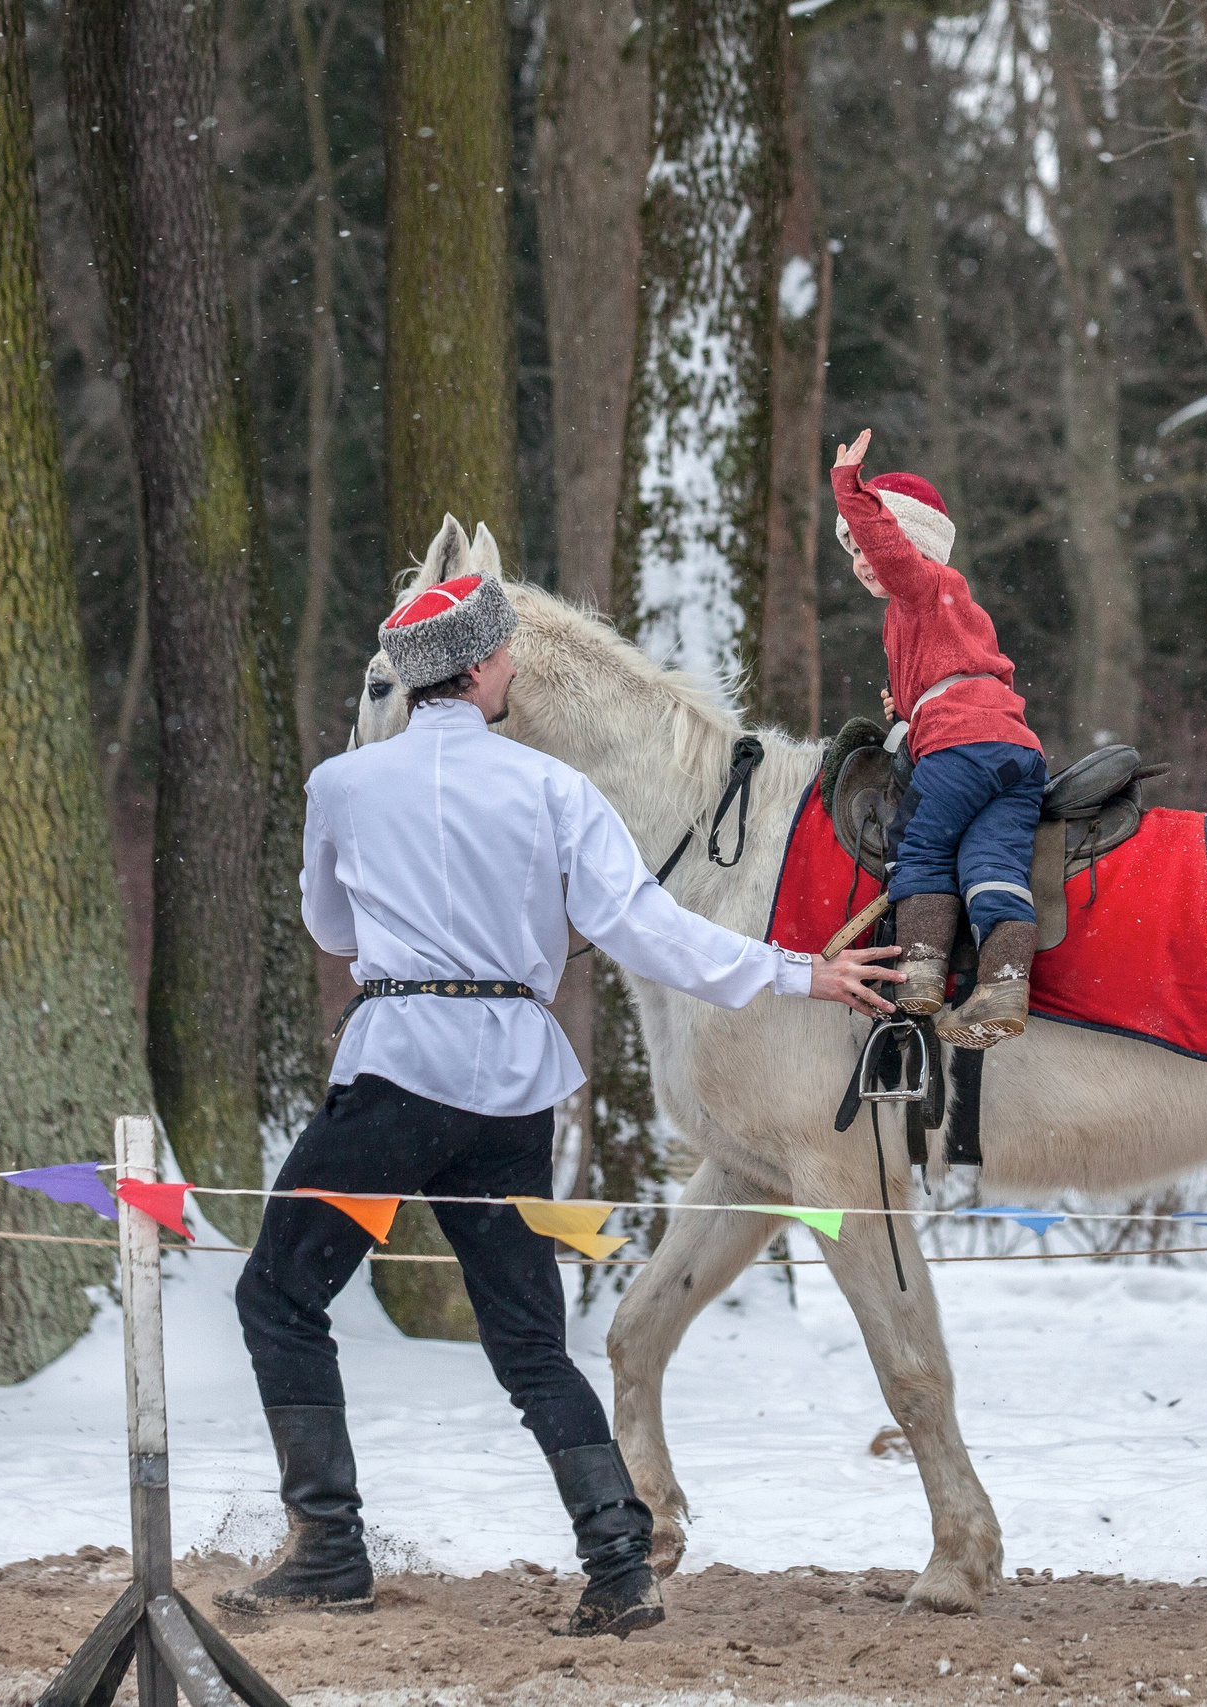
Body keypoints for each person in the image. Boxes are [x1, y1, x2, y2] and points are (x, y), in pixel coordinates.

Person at [226, 557, 902, 1635]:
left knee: (278, 1295)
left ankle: (329, 1545)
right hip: (509, 1088)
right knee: (530, 1342)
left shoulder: (342, 788)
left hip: (398, 1077)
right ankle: (618, 1563)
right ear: (488, 668)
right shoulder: (554, 791)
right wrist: (797, 972)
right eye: (504, 657)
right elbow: (652, 934)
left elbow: (329, 931)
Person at [831, 427, 1049, 1048]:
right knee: (992, 862)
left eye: (868, 544)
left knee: (919, 846)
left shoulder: (922, 587)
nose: (863, 561)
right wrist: (905, 704)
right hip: (1017, 751)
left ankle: (921, 974)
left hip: (959, 749)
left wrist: (849, 489)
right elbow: (958, 675)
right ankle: (1004, 981)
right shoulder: (946, 607)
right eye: (851, 551)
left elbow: (888, 545)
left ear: (909, 543)